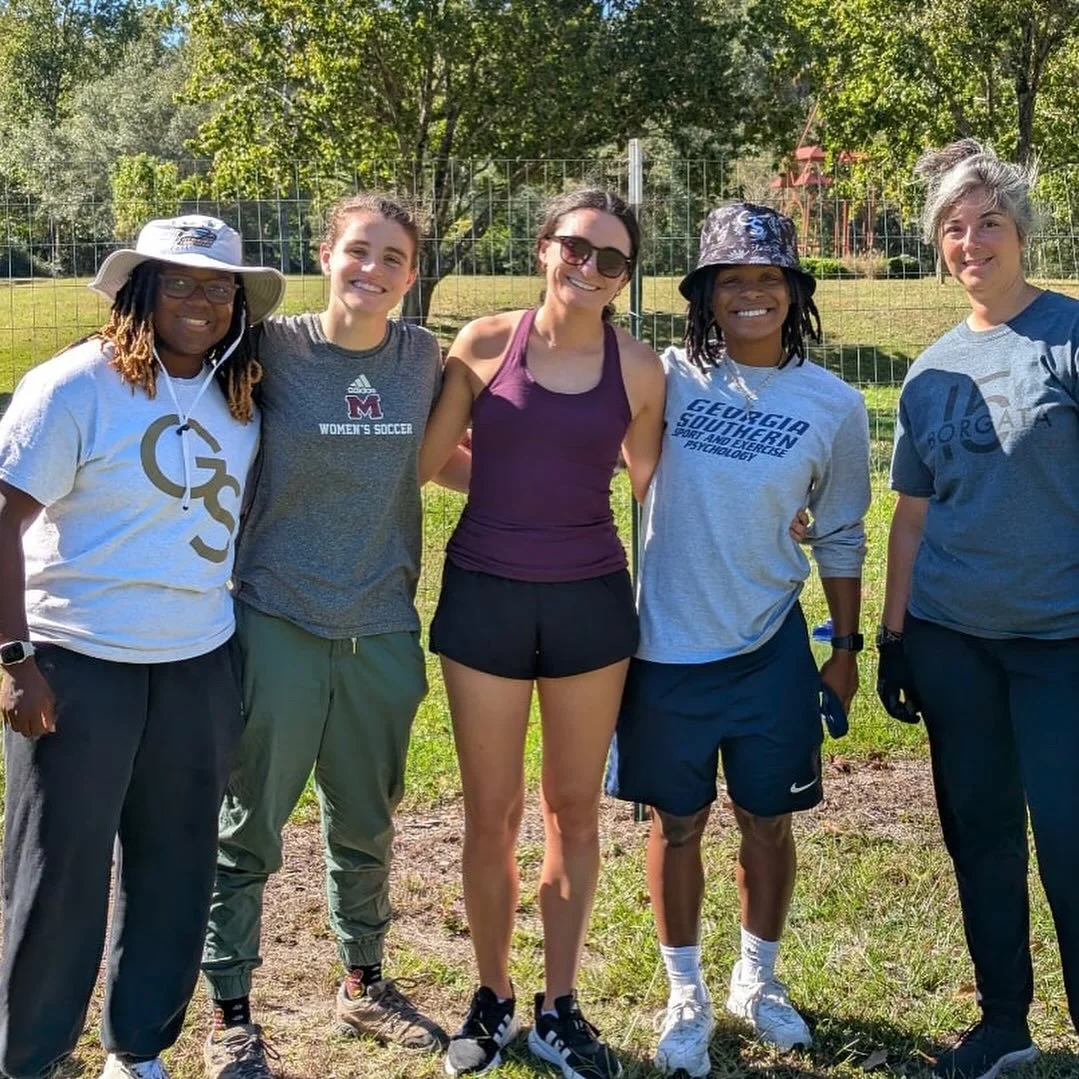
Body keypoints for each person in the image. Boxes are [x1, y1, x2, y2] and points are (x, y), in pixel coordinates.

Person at [0, 216, 284, 1079]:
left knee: (175, 867)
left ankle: (139, 1049)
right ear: (140, 291)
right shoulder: (74, 385)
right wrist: (15, 659)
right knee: (59, 876)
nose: (200, 301)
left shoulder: (240, 395)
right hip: (79, 663)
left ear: (238, 301)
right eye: (179, 282)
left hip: (199, 662)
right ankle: (30, 1055)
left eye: (218, 285)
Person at [201, 193, 466, 1079]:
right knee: (249, 825)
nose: (372, 270)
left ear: (411, 274)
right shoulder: (274, 349)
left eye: (393, 258)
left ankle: (362, 984)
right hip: (275, 614)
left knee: (366, 819)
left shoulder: (422, 356)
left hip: (383, 625)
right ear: (325, 254)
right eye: (358, 251)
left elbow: (449, 457)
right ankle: (231, 1009)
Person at [606, 202, 871, 1076]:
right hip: (664, 651)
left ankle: (755, 979)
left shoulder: (830, 404)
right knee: (676, 823)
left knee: (767, 817)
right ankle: (684, 990)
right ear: (704, 295)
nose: (750, 293)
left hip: (768, 648)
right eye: (731, 279)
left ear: (794, 290)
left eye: (767, 277)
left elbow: (838, 530)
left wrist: (843, 646)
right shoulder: (665, 375)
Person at [417, 188, 666, 1078]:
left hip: (588, 605)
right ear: (543, 249)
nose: (589, 269)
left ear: (626, 277)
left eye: (611, 260)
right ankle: (491, 997)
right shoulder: (485, 343)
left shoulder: (639, 369)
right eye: (575, 248)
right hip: (483, 594)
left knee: (572, 808)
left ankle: (560, 1005)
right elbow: (424, 460)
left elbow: (654, 488)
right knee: (491, 812)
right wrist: (504, 489)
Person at [877, 140, 1079, 1079]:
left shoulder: (1068, 337)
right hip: (953, 639)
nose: (971, 241)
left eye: (987, 222)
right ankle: (1003, 1020)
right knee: (980, 831)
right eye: (953, 228)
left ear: (1020, 232)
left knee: (1070, 836)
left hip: (1060, 641)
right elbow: (910, 520)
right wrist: (892, 638)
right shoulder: (927, 373)